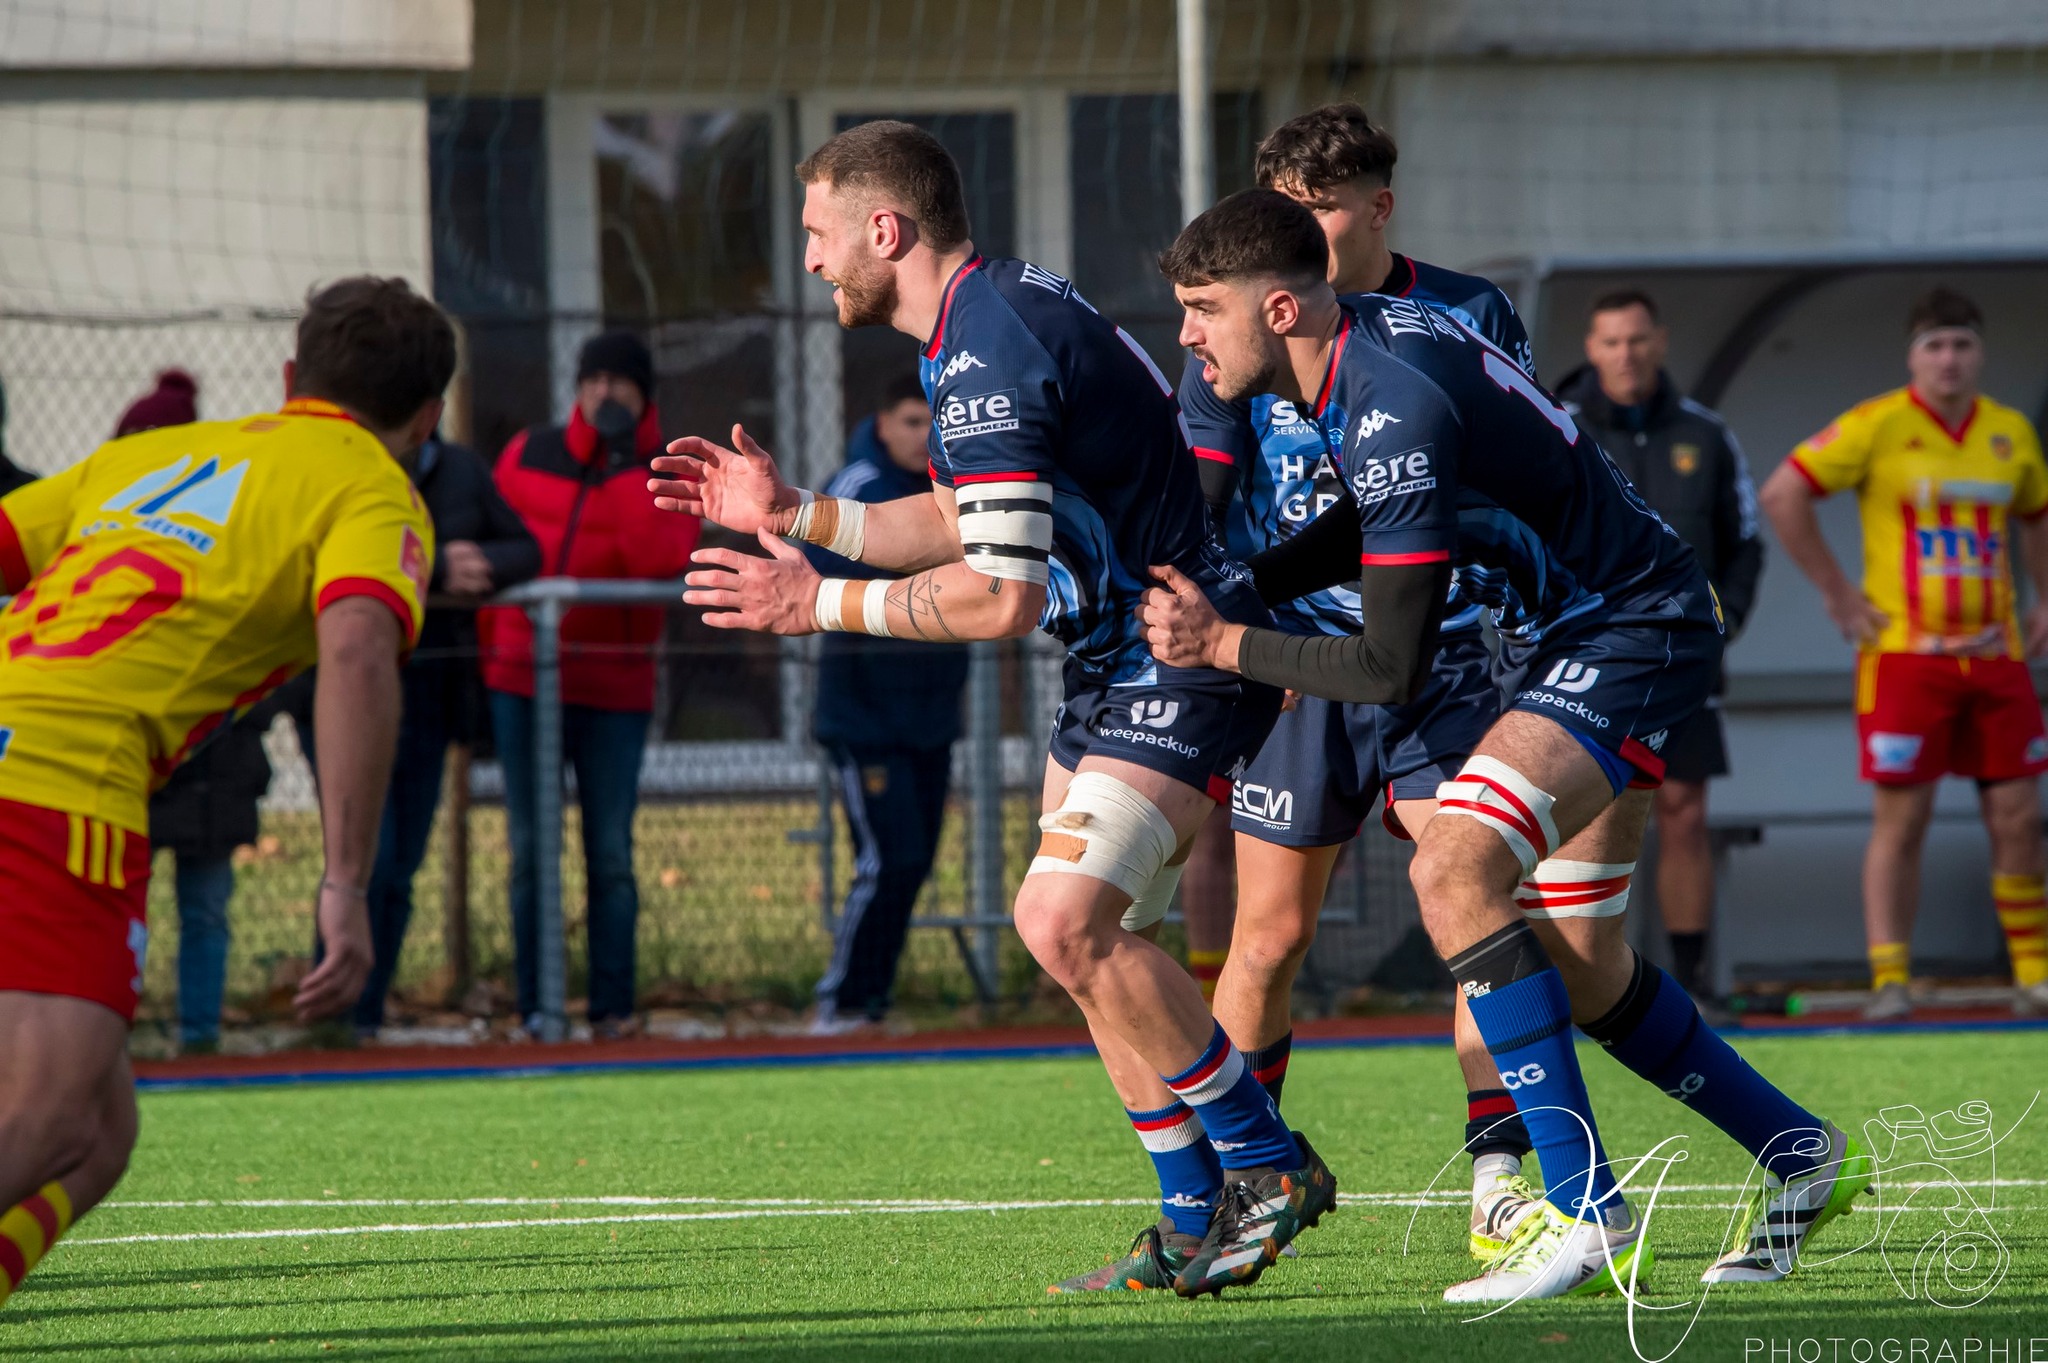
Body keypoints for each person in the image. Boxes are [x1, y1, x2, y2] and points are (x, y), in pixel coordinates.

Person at [1144, 189, 1868, 1302]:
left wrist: (1227, 636)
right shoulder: (1366, 348)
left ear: (1277, 306)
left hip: (1628, 627)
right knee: (1576, 964)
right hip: (1570, 633)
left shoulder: (1384, 394)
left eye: (1199, 309)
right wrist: (1254, 586)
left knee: (1453, 864)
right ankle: (1796, 1151)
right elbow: (1376, 522)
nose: (1186, 335)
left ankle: (1584, 1212)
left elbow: (1381, 667)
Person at [652, 120, 1327, 1297]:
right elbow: (962, 522)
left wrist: (816, 610)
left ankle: (1266, 1164)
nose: (808, 262)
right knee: (1086, 949)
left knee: (1061, 923)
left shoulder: (985, 347)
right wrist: (799, 512)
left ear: (883, 228)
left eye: (816, 235)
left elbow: (998, 597)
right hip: (1114, 658)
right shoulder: (979, 318)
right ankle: (1187, 1214)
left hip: (1178, 650)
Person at [1146, 102, 1539, 1287]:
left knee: (1473, 902)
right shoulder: (1233, 322)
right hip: (1291, 670)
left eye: (1320, 206)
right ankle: (1246, 1189)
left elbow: (1515, 466)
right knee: (1267, 936)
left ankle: (1501, 1186)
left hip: (1440, 656)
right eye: (1283, 204)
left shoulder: (1460, 313)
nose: (1298, 226)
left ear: (1376, 208)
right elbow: (1203, 486)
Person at [0, 275, 444, 1310]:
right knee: (52, 1119)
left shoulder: (144, 455)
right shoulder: (370, 489)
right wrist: (345, 879)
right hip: (59, 787)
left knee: (102, 1134)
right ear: (426, 420)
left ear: (291, 378)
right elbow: (357, 653)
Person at [1760, 287, 2048, 1021]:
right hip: (1903, 658)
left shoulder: (2011, 431)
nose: (1948, 359)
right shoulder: (1877, 424)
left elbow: (2037, 515)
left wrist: (2044, 597)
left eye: (1961, 344)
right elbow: (1783, 492)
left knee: (2018, 814)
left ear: (1980, 353)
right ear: (1913, 355)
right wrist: (1839, 595)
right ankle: (1892, 979)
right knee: (1903, 820)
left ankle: (2034, 975)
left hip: (1995, 655)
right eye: (1934, 345)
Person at [478, 330, 700, 1038]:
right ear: (576, 387)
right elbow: (501, 546)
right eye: (593, 379)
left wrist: (619, 468)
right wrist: (498, 660)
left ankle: (612, 1010)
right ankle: (537, 1006)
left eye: (620, 383)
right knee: (531, 851)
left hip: (616, 689)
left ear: (644, 396)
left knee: (608, 853)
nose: (604, 393)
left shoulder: (663, 471)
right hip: (526, 682)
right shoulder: (526, 453)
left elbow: (655, 560)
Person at [1558, 291, 1764, 1011]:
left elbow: (1746, 543)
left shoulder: (1706, 435)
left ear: (1661, 341)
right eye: (1612, 342)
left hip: (1681, 662)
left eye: (1638, 340)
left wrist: (1724, 618)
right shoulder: (1560, 427)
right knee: (1573, 813)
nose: (1626, 355)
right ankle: (1577, 981)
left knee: (1681, 810)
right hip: (1577, 657)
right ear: (1591, 348)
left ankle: (1692, 980)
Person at [352, 429, 540, 1035]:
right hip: (352, 699)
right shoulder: (347, 463)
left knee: (401, 864)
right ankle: (341, 1010)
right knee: (368, 862)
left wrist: (480, 563)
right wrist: (433, 570)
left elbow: (525, 549)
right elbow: (338, 556)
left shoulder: (462, 469)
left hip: (431, 698)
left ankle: (368, 1013)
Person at [109, 367, 271, 1055]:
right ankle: (113, 1033)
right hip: (137, 765)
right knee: (125, 911)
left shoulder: (233, 534)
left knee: (204, 907)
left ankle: (199, 1035)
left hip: (215, 763)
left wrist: (251, 715)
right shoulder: (106, 535)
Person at [806, 375, 970, 1034]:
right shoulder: (856, 487)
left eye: (932, 420)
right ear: (881, 422)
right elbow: (816, 564)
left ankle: (872, 1002)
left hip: (932, 716)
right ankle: (840, 1000)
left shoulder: (954, 492)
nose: (921, 433)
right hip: (866, 719)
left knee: (917, 861)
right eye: (909, 419)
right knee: (885, 858)